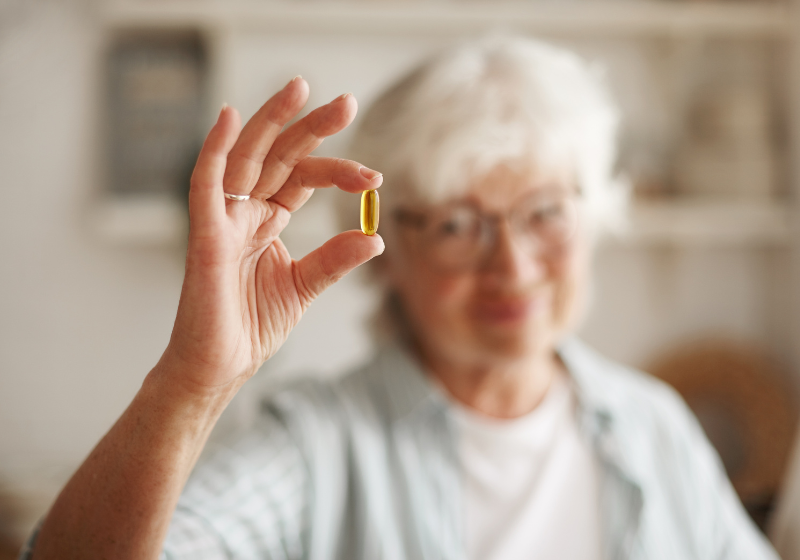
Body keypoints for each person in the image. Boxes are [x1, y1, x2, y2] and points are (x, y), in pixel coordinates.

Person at [23, 37, 778, 560]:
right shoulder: (314, 444)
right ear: (388, 255)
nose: (511, 264)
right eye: (456, 224)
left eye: (544, 212)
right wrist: (193, 383)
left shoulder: (652, 426)